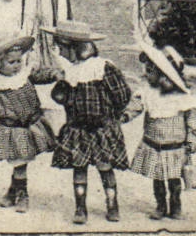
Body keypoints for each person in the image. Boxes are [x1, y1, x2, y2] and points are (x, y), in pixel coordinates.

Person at [48, 21, 135, 224]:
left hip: (102, 128)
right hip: (78, 129)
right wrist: (61, 81)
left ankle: (112, 204)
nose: (61, 53)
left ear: (75, 48)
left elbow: (122, 94)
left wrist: (112, 116)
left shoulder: (103, 68)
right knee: (79, 167)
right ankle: (80, 208)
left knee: (105, 166)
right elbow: (59, 97)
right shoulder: (70, 71)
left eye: (63, 49)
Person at [0, 32, 57, 213]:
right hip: (11, 128)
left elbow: (41, 76)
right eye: (11, 62)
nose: (17, 65)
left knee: (21, 162)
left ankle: (13, 192)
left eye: (19, 61)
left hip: (31, 124)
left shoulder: (25, 75)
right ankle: (21, 194)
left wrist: (54, 74)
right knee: (19, 162)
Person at [130, 41, 196, 221]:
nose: (146, 75)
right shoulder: (148, 92)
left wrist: (192, 138)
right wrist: (125, 115)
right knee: (157, 178)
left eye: (150, 72)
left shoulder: (182, 97)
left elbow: (193, 119)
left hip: (175, 147)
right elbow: (136, 106)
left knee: (174, 179)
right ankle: (161, 205)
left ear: (164, 74)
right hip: (153, 143)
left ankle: (176, 205)